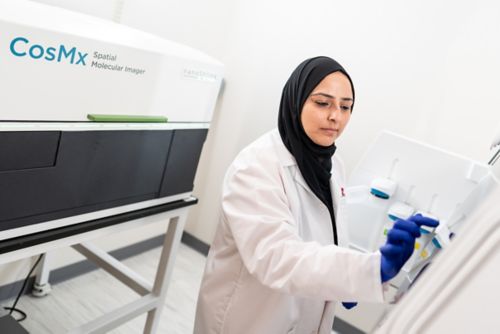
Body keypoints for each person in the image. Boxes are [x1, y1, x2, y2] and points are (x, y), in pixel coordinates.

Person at [193, 56, 438, 334]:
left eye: (346, 107)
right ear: (296, 101)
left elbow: (329, 234)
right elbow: (277, 257)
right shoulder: (255, 168)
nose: (336, 116)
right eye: (323, 103)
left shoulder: (332, 165)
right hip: (248, 320)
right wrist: (367, 270)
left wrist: (348, 281)